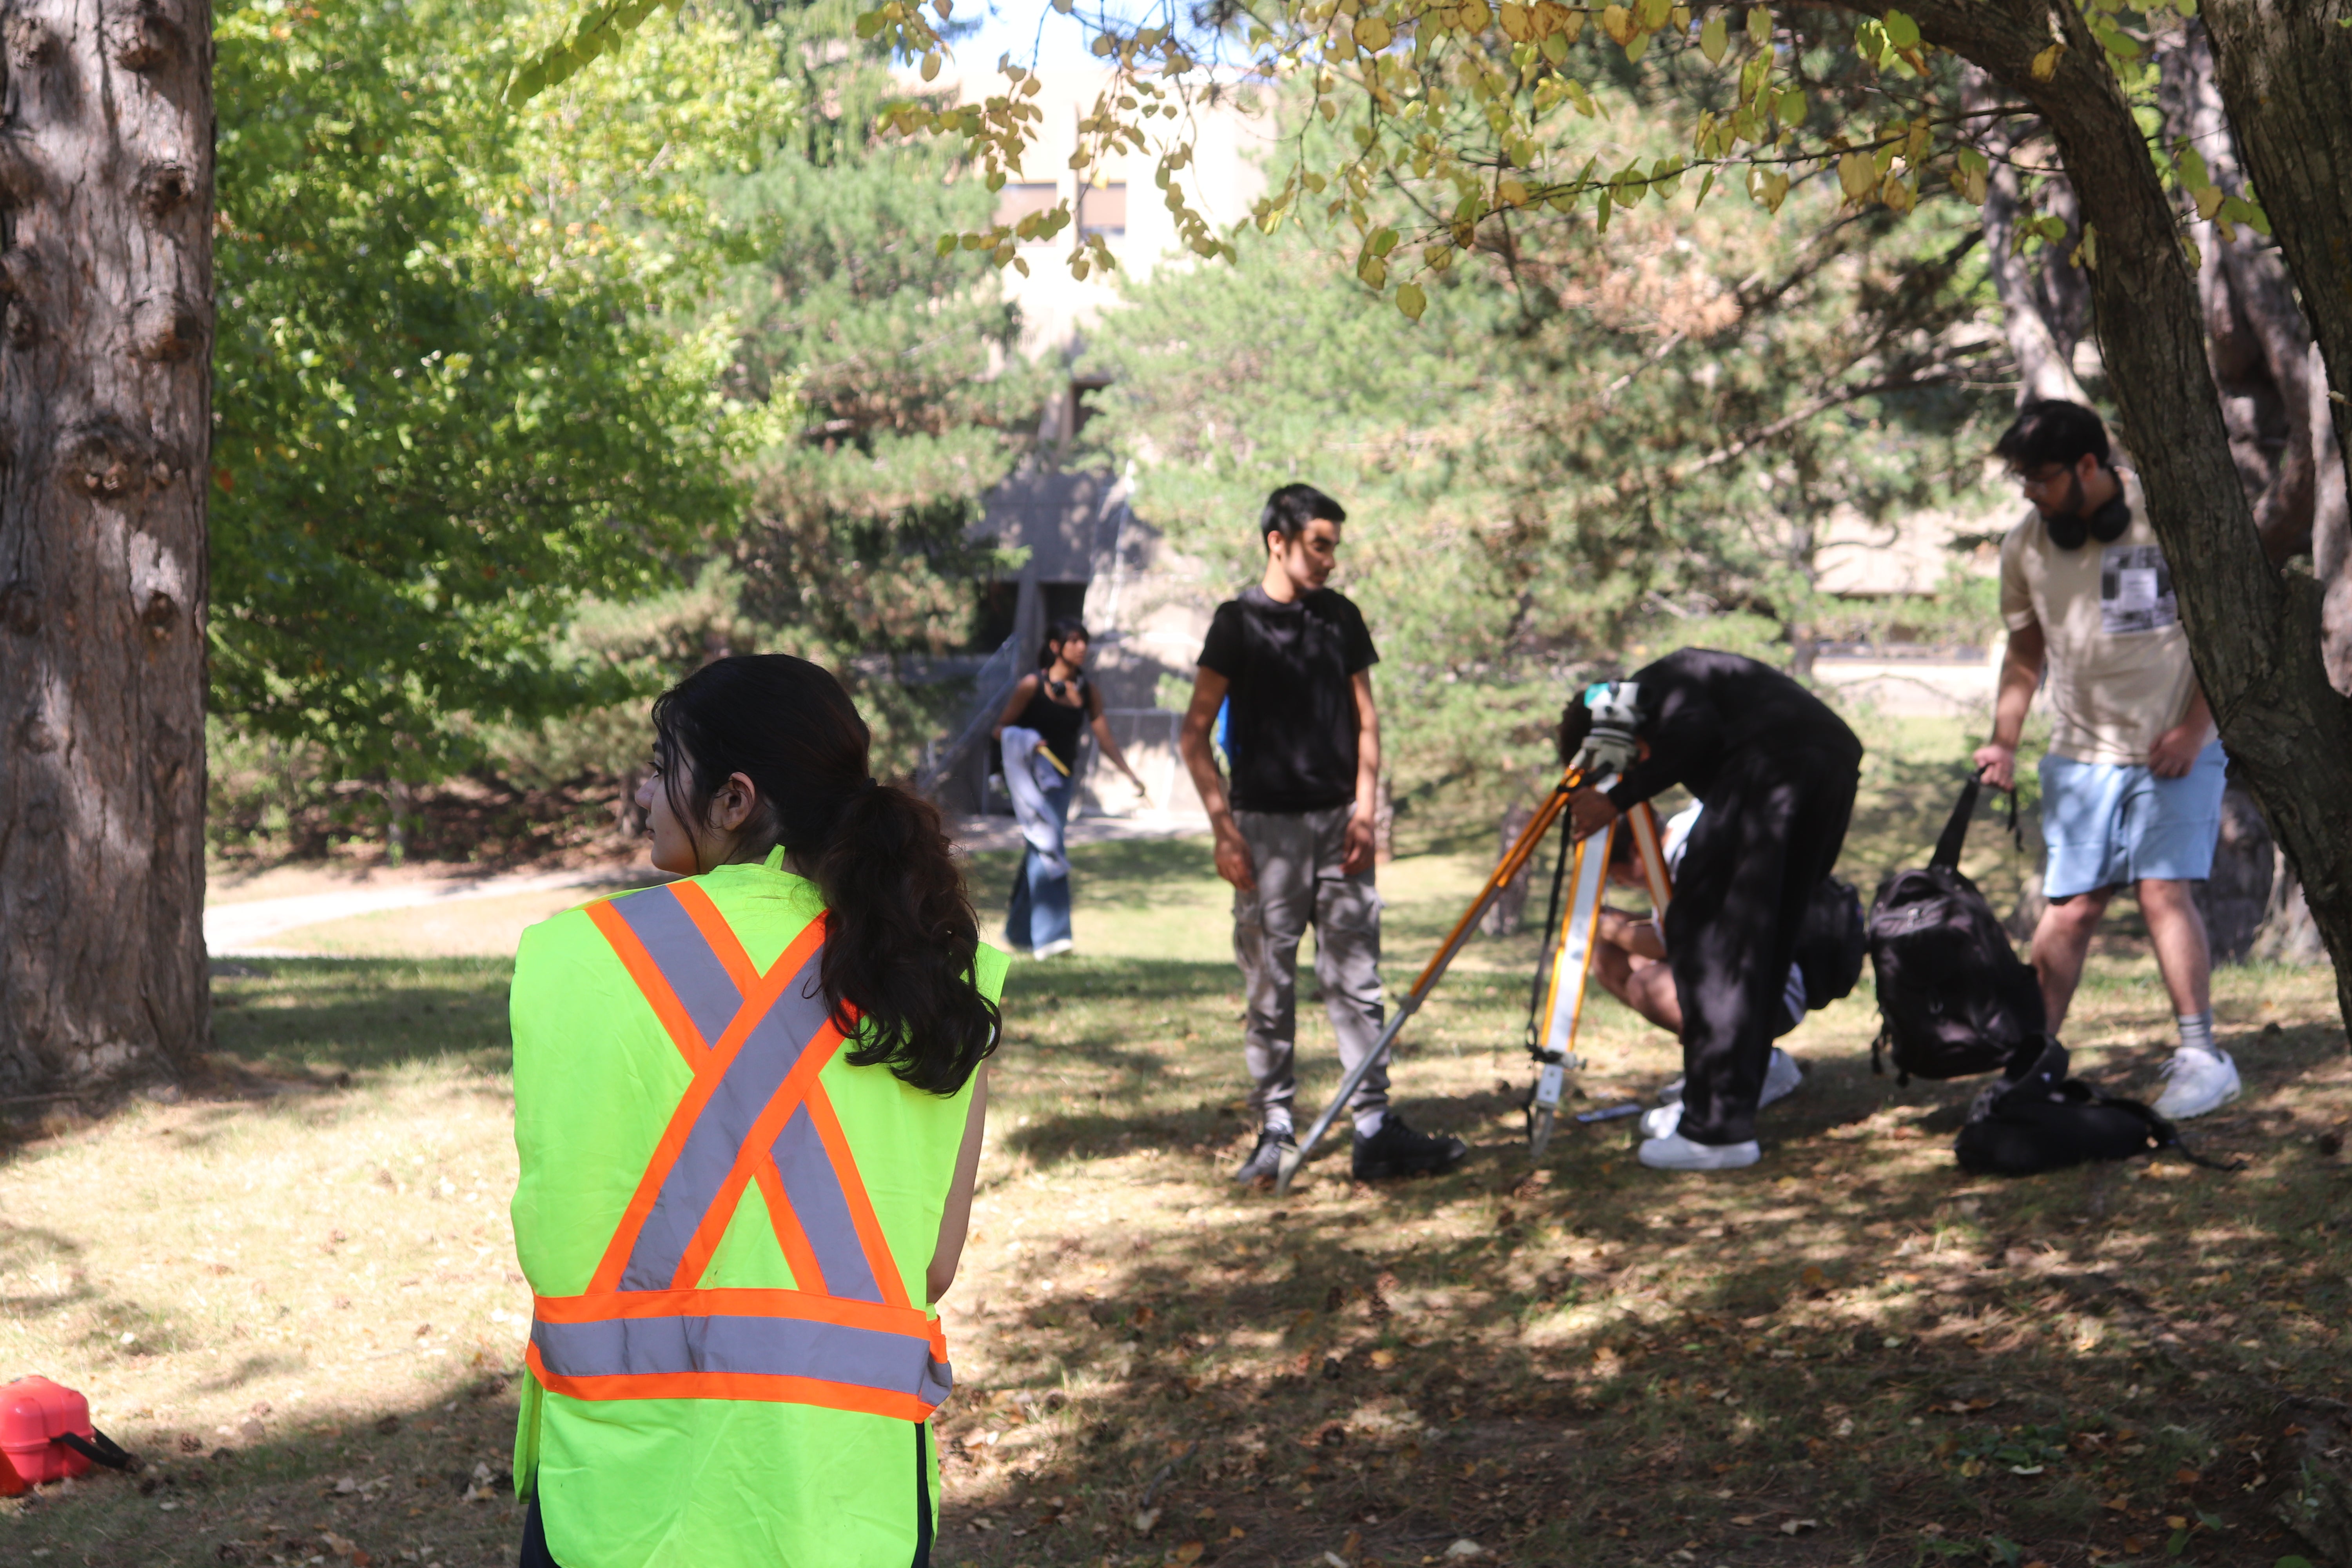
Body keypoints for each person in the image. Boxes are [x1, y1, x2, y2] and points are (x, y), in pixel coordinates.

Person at [507, 655, 1003, 1568]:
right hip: (845, 1496)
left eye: (662, 764)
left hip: (618, 1497)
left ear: (735, 799)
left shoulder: (575, 957)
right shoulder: (927, 971)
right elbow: (930, 1266)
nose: (646, 789)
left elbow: (558, 1221)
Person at [1178, 483, 1467, 1186]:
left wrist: (1366, 812)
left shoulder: (1340, 619)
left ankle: (1374, 1131)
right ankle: (1276, 1128)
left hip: (1342, 826)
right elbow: (1192, 736)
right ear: (1278, 543)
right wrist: (1225, 831)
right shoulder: (1236, 623)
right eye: (1321, 545)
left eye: (1334, 546)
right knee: (1269, 986)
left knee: (1357, 981)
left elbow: (1367, 721)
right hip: (1264, 832)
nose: (1332, 560)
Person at [1972, 399, 2235, 1120]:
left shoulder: (2170, 520)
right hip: (2079, 756)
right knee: (2073, 909)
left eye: (2040, 477)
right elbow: (2027, 655)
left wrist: (2192, 730)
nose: (2028, 491)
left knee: (2161, 891)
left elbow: (2223, 634)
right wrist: (2005, 739)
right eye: (2021, 478)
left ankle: (2202, 1056)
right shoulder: (2025, 546)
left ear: (2089, 466)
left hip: (2177, 749)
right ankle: (2031, 1064)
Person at [1558, 648, 1863, 1172]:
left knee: (1710, 940)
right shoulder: (1689, 683)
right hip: (1828, 767)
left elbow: (1691, 731)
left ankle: (1715, 1130)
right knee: (1760, 939)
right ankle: (1728, 1101)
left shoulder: (1655, 688)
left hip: (1773, 772)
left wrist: (1618, 796)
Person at [1585, 805, 1807, 1125]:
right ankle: (1721, 1065)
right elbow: (1680, 928)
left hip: (1773, 989)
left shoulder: (1690, 851)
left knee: (1645, 985)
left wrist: (1609, 927)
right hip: (1736, 979)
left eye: (1614, 874)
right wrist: (1616, 925)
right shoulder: (1675, 842)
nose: (1618, 884)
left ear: (1637, 850)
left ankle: (1748, 1071)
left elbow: (1672, 941)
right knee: (1609, 959)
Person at [990, 617, 1151, 958]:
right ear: (1055, 647)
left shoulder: (1088, 690)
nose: (1082, 648)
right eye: (1074, 641)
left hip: (1061, 782)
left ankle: (1018, 933)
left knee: (1040, 847)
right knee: (1049, 846)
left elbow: (1103, 736)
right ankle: (1053, 938)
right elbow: (1000, 729)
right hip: (1030, 781)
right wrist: (1029, 741)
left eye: (1085, 641)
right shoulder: (1032, 685)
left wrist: (1131, 775)